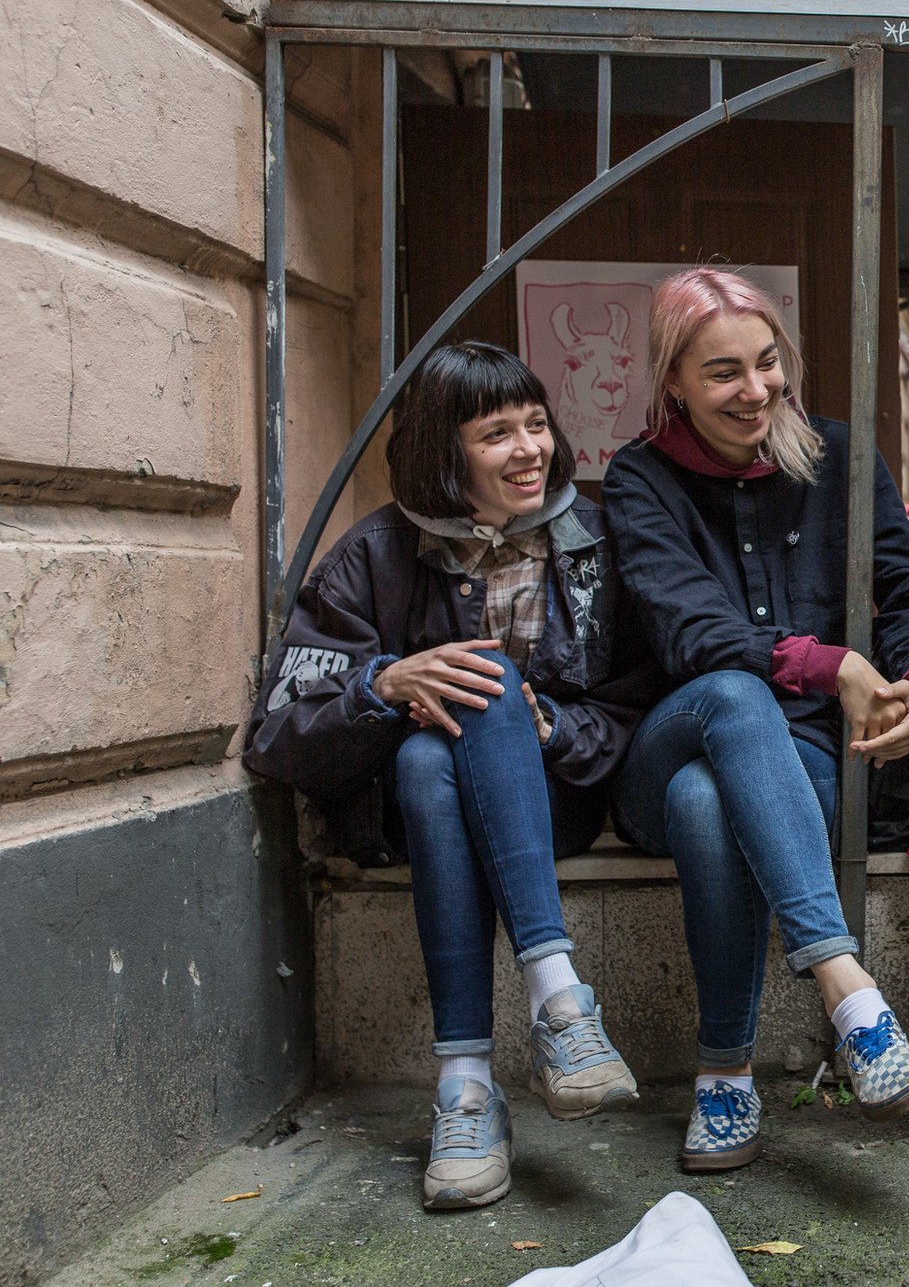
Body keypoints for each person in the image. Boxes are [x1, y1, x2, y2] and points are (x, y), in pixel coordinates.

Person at [247, 342, 653, 1209]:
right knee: (432, 751)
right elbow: (278, 734)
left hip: (553, 802)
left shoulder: (596, 542)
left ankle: (465, 1085)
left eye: (537, 425)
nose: (529, 449)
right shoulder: (374, 556)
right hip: (414, 814)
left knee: (488, 687)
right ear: (443, 451)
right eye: (496, 433)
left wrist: (552, 725)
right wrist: (380, 685)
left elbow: (640, 702)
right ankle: (560, 1007)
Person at [604, 268, 909, 1171]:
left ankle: (724, 1078)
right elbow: (688, 629)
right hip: (670, 734)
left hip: (798, 770)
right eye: (723, 373)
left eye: (767, 364)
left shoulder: (839, 455)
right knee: (731, 692)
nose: (754, 391)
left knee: (706, 804)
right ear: (672, 381)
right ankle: (852, 997)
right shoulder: (639, 478)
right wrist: (829, 663)